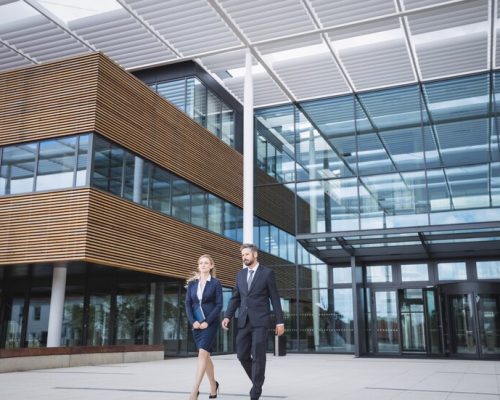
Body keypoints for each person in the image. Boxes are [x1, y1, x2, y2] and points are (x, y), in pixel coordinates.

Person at [222, 243, 285, 400]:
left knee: (258, 355)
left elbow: (275, 298)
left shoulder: (267, 273)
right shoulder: (240, 275)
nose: (244, 257)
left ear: (255, 255)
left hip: (260, 321)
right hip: (244, 320)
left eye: (247, 254)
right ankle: (258, 381)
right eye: (242, 255)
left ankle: (255, 391)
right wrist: (227, 316)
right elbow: (235, 297)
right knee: (242, 355)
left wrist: (280, 321)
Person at [185, 254, 223, 400]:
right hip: (196, 324)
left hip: (210, 324)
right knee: (205, 356)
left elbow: (219, 305)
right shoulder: (192, 284)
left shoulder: (215, 283)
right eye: (201, 263)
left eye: (206, 263)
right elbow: (188, 303)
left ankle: (194, 391)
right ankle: (213, 385)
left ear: (211, 266)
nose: (203, 265)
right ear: (198, 265)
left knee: (202, 354)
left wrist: (207, 321)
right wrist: (192, 321)